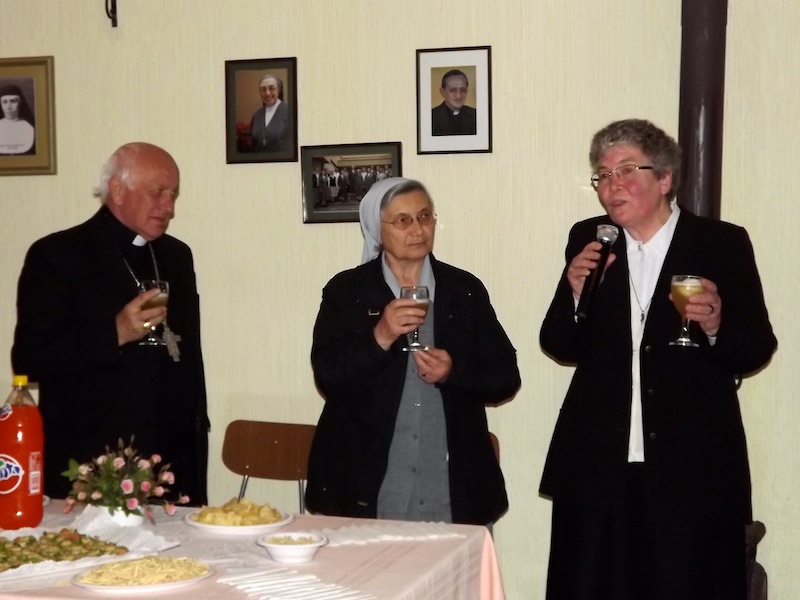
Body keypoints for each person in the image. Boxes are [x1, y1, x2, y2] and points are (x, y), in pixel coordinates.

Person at [539, 119, 777, 600]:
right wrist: (575, 292)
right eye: (603, 175)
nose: (611, 186)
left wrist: (716, 326)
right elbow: (559, 344)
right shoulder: (590, 240)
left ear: (665, 178)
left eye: (627, 170)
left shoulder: (720, 243)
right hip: (597, 466)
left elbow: (755, 347)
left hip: (692, 469)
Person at [306, 177, 521, 525]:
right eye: (403, 220)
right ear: (377, 230)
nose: (418, 229)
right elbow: (329, 376)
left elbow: (505, 377)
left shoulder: (464, 290)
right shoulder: (347, 291)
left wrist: (453, 371)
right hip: (365, 485)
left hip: (450, 485)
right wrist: (380, 336)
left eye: (424, 216)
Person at [11, 142, 209, 505]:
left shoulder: (177, 256)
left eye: (173, 193)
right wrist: (114, 333)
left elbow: (187, 358)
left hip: (170, 468)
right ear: (118, 190)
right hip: (92, 467)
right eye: (157, 192)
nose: (168, 206)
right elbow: (30, 359)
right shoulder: (58, 255)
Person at [248, 74, 290, 153]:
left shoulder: (289, 113)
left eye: (272, 88)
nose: (267, 93)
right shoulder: (256, 115)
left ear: (278, 90)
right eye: (263, 89)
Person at [431, 70, 477, 137]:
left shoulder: (475, 115)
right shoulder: (431, 117)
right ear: (442, 92)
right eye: (453, 90)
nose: (458, 95)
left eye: (463, 90)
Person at [0, 83, 35, 155]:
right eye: (5, 102)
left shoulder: (30, 127)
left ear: (20, 103)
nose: (9, 107)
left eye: (12, 101)